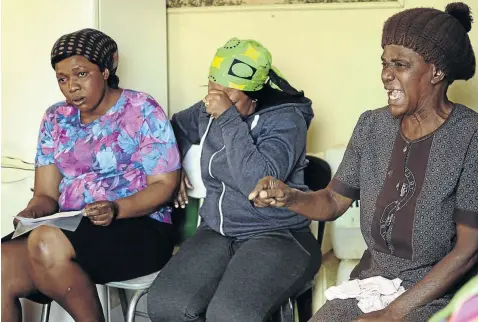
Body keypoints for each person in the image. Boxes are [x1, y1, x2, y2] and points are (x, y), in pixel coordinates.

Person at [249, 3, 478, 321]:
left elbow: (469, 251)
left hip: (441, 294)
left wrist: (393, 313)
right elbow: (332, 201)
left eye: (400, 65)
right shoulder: (372, 126)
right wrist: (288, 196)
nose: (386, 75)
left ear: (437, 71)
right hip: (374, 284)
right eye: (384, 63)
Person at [1, 28, 181, 322]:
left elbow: (163, 185)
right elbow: (45, 195)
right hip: (72, 226)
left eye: (81, 74)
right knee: (3, 262)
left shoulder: (142, 109)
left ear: (107, 69)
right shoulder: (55, 118)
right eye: (62, 79)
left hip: (139, 226)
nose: (71, 87)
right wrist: (31, 212)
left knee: (45, 242)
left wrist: (115, 209)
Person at [147, 38, 322, 322]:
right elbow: (173, 129)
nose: (214, 100)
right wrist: (173, 166)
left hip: (279, 235)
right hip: (218, 232)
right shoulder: (208, 109)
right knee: (166, 304)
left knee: (230, 315)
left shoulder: (286, 120)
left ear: (254, 94)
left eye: (228, 94)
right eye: (212, 88)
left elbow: (258, 182)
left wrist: (228, 118)